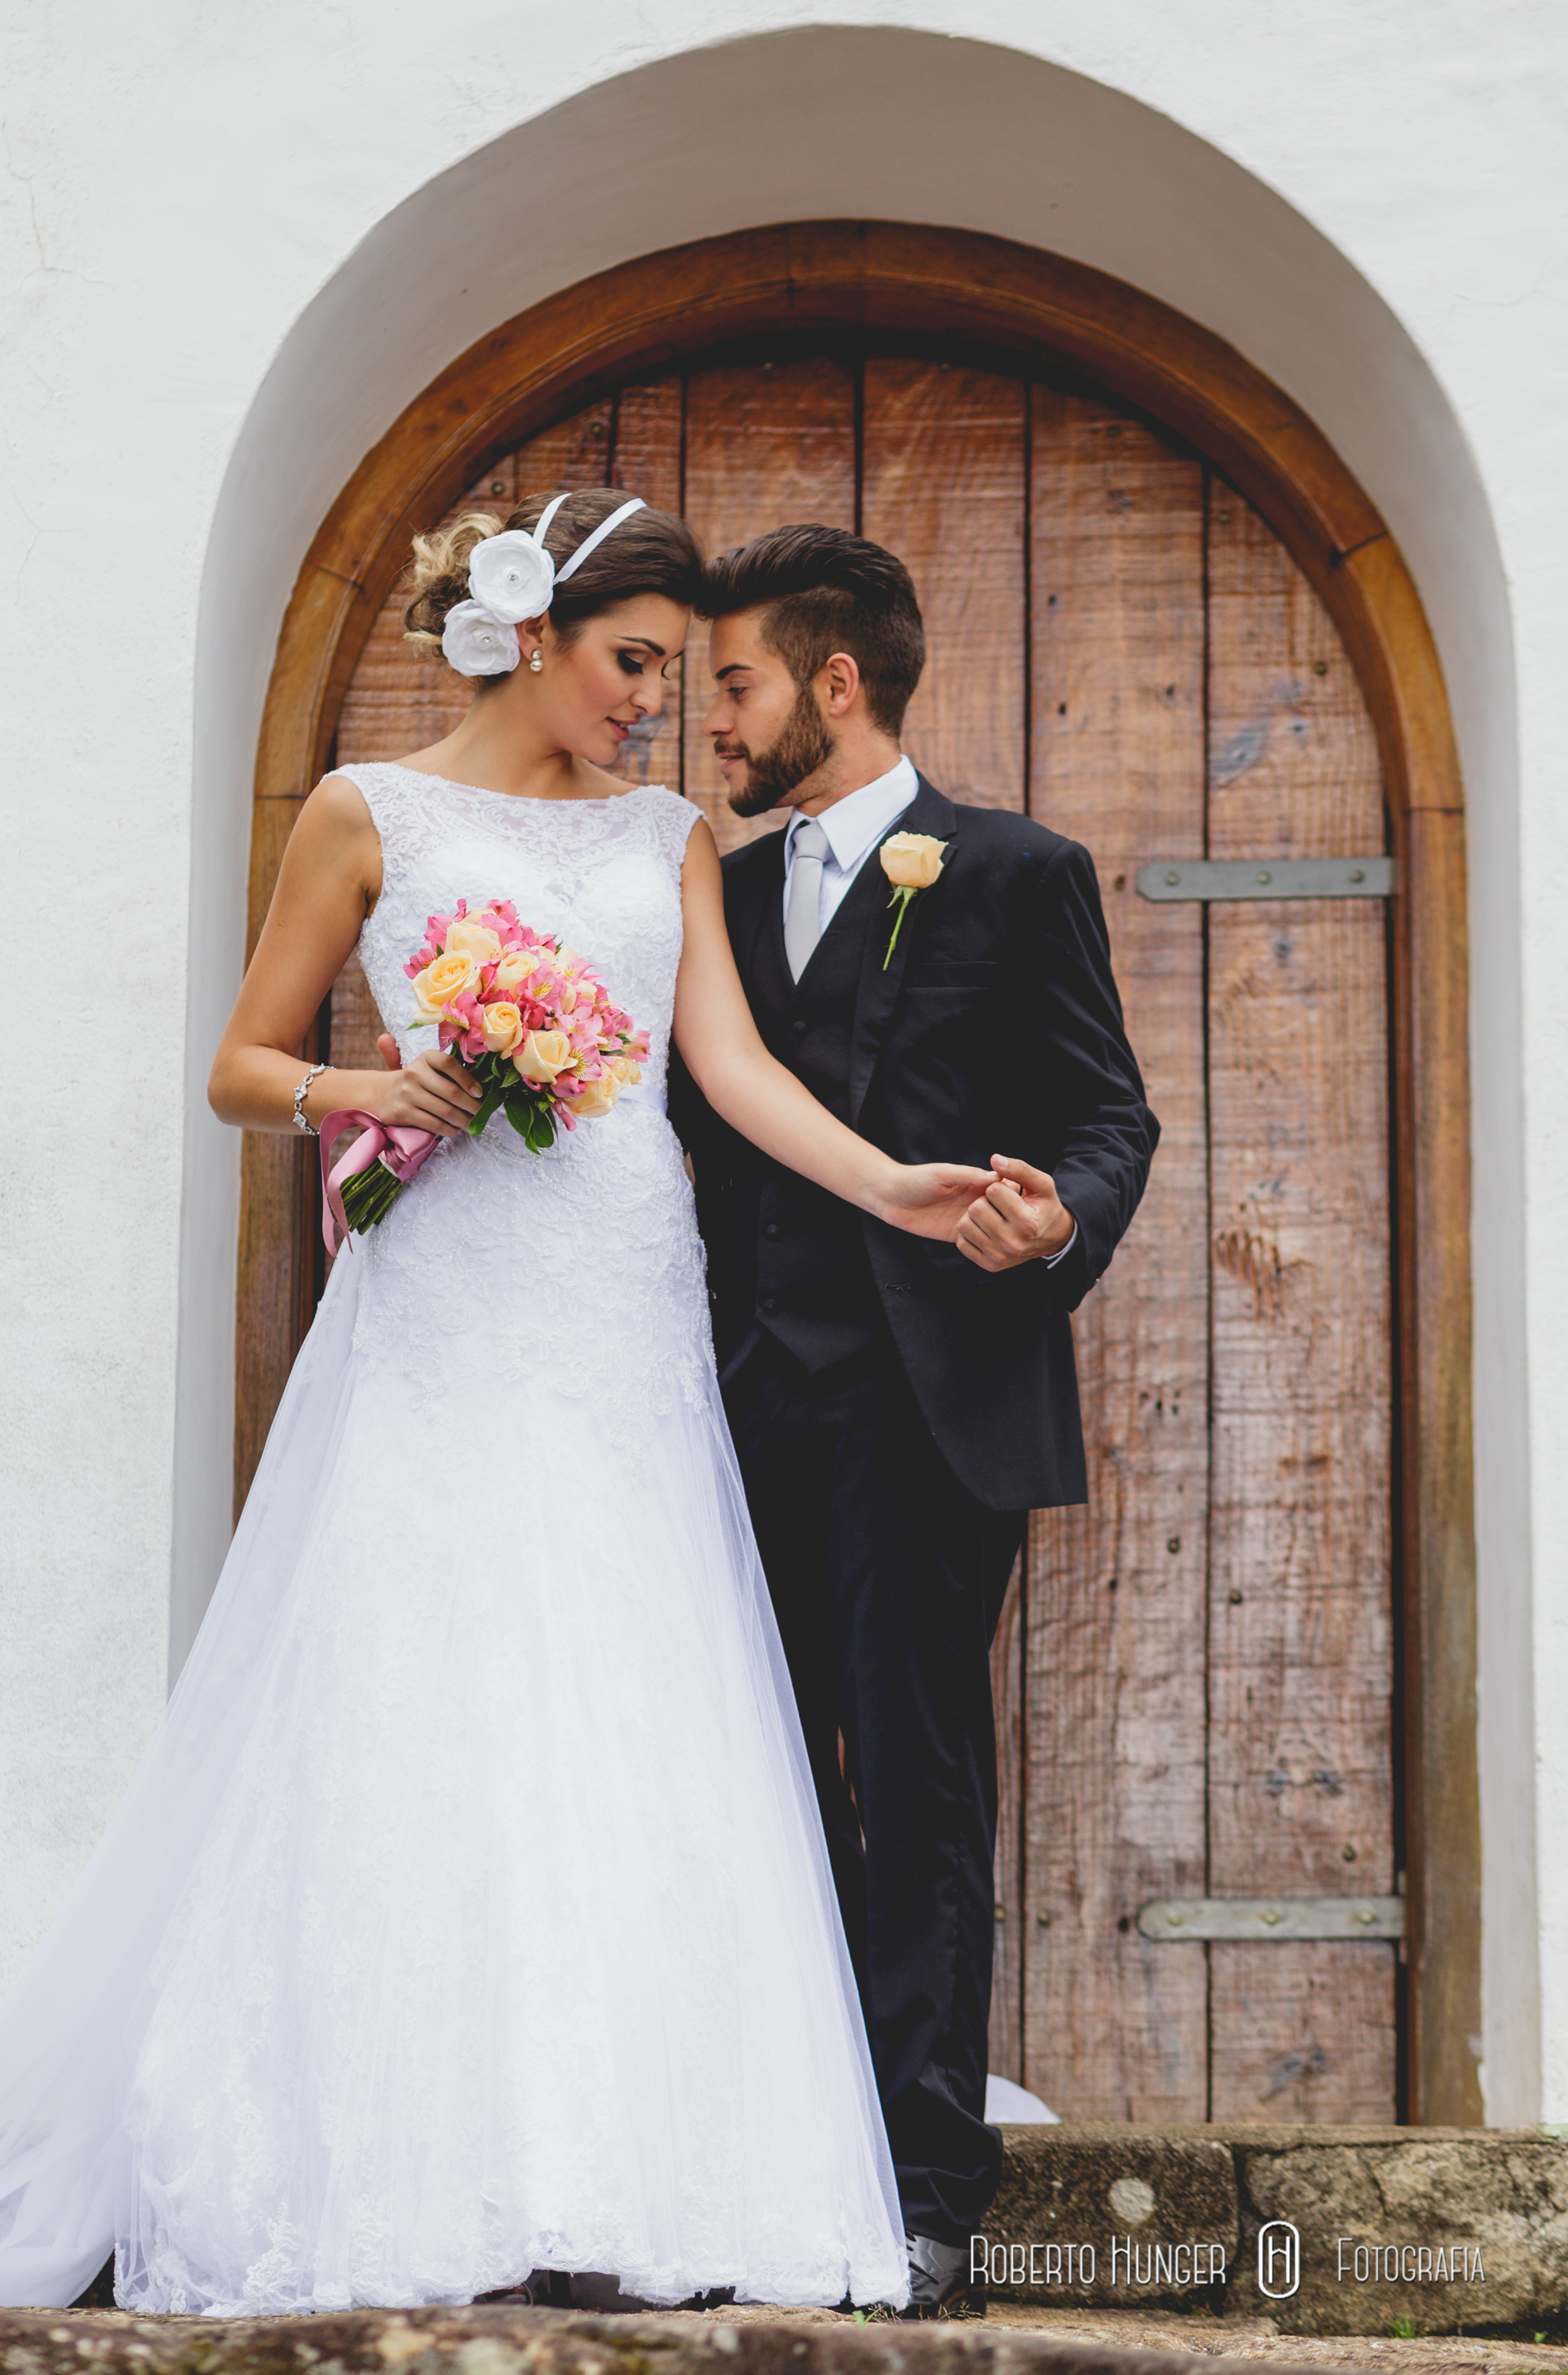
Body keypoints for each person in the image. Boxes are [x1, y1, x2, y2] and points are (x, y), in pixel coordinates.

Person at [0, 492, 1000, 2317]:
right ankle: (398, 2152)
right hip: (444, 1300)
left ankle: (622, 2162)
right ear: (531, 635)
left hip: (619, 1299)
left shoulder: (668, 837)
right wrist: (365, 1090)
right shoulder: (366, 814)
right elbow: (240, 1064)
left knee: (626, 1683)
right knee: (417, 1675)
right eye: (633, 663)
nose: (652, 703)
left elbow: (727, 1070)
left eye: (675, 674)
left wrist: (893, 1186)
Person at [672, 526, 1158, 2316]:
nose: (712, 722)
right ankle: (753, 2167)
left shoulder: (1018, 871)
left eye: (734, 685)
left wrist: (1059, 1223)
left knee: (918, 1789)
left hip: (924, 1409)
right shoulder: (708, 893)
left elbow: (1109, 1119)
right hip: (717, 1410)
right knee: (740, 1789)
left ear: (837, 681)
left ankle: (925, 2194)